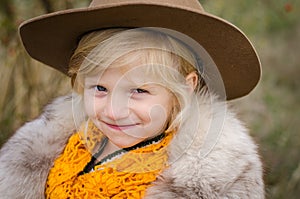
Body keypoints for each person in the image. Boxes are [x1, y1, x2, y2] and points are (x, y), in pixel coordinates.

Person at [0, 0, 264, 198]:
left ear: (185, 89)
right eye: (100, 88)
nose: (114, 112)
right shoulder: (57, 144)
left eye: (139, 91)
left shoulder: (215, 176)